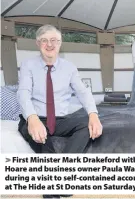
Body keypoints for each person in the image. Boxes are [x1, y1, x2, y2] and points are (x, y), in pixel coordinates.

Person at [17, 24, 103, 198]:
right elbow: (23, 92)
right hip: (35, 118)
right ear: (37, 43)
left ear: (60, 43)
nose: (50, 44)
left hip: (60, 120)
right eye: (44, 40)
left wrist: (93, 114)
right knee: (46, 144)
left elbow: (82, 92)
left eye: (54, 40)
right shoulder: (28, 65)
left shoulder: (69, 67)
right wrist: (32, 118)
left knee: (86, 126)